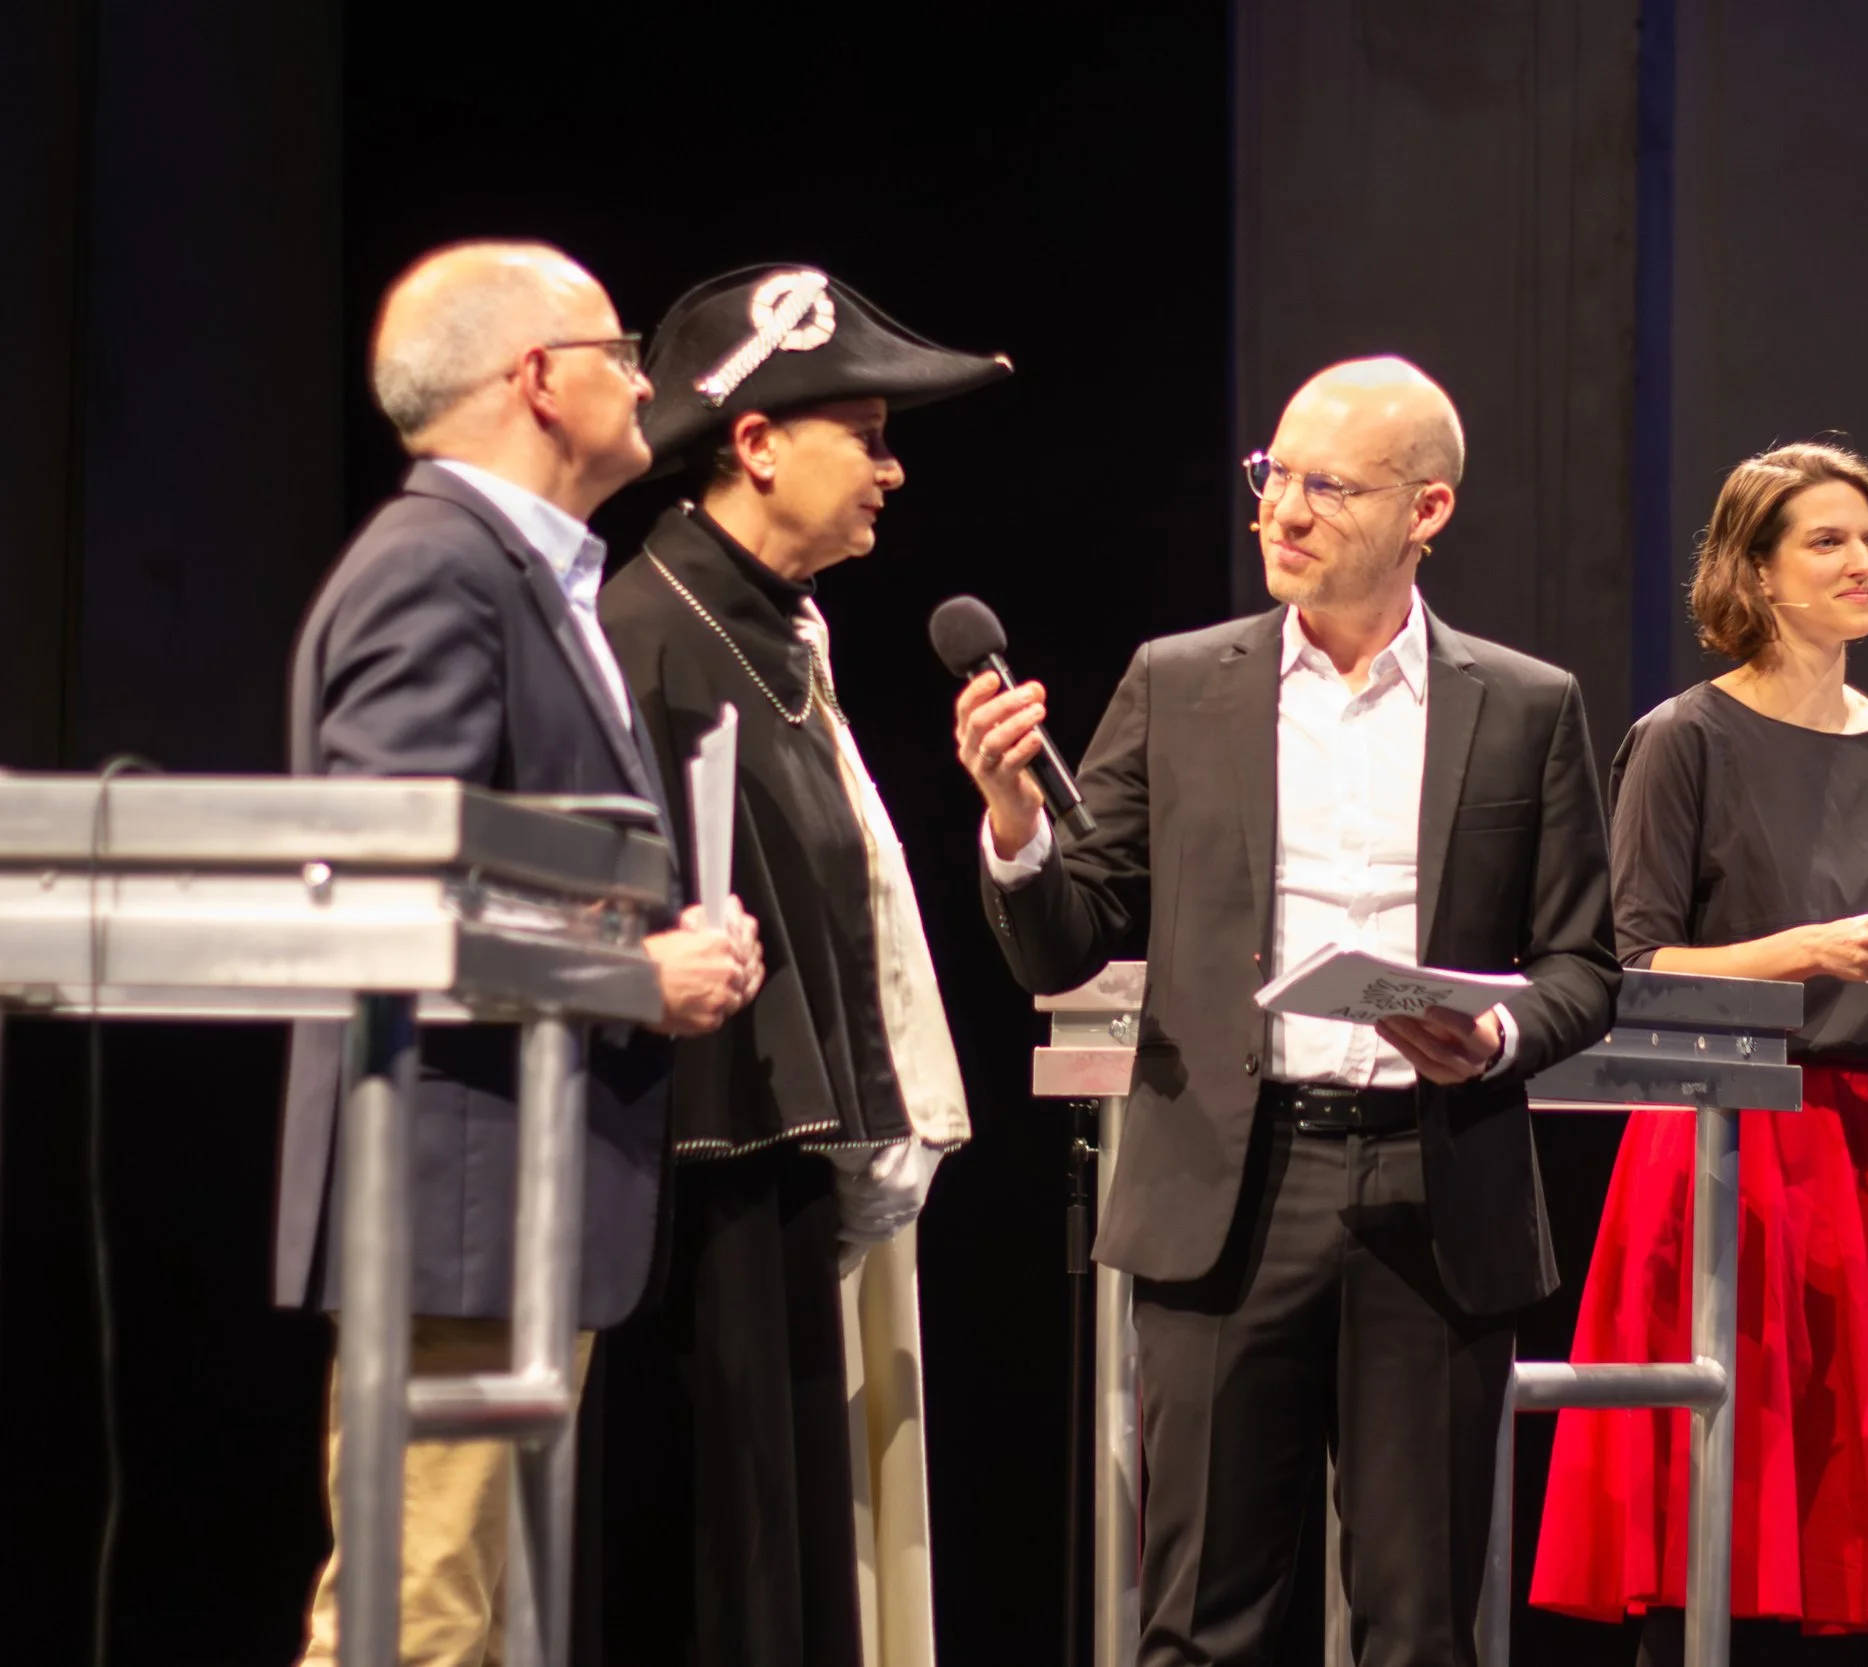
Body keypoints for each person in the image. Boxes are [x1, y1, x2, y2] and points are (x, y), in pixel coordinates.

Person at [955, 357, 1620, 1667]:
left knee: (1419, 1625)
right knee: (1205, 1622)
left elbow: (1582, 964)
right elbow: (1066, 939)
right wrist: (1017, 826)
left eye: (1330, 485)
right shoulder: (1178, 680)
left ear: (1427, 509)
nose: (1285, 511)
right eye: (1274, 476)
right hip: (1230, 1189)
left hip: (1434, 1190)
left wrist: (1493, 1035)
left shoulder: (1526, 704)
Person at [275, 240, 764, 1667]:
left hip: (509, 1201)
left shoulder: (520, 572)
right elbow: (387, 886)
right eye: (621, 352)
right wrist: (633, 978)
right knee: (413, 1622)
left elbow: (499, 864)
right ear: (541, 379)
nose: (648, 382)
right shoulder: (435, 568)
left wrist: (653, 935)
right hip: (452, 1200)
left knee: (470, 1624)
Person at [1529, 441, 1868, 1654]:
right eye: (1827, 540)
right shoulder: (1684, 737)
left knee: (1865, 1513)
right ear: (1755, 571)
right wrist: (1810, 948)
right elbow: (1628, 968)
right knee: (1719, 1504)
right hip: (1728, 1135)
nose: (1863, 561)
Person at [590, 265, 1009, 1667]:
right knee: (725, 1558)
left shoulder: (771, 628)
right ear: (757, 442)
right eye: (869, 437)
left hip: (781, 1181)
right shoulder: (648, 637)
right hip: (696, 1200)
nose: (894, 470)